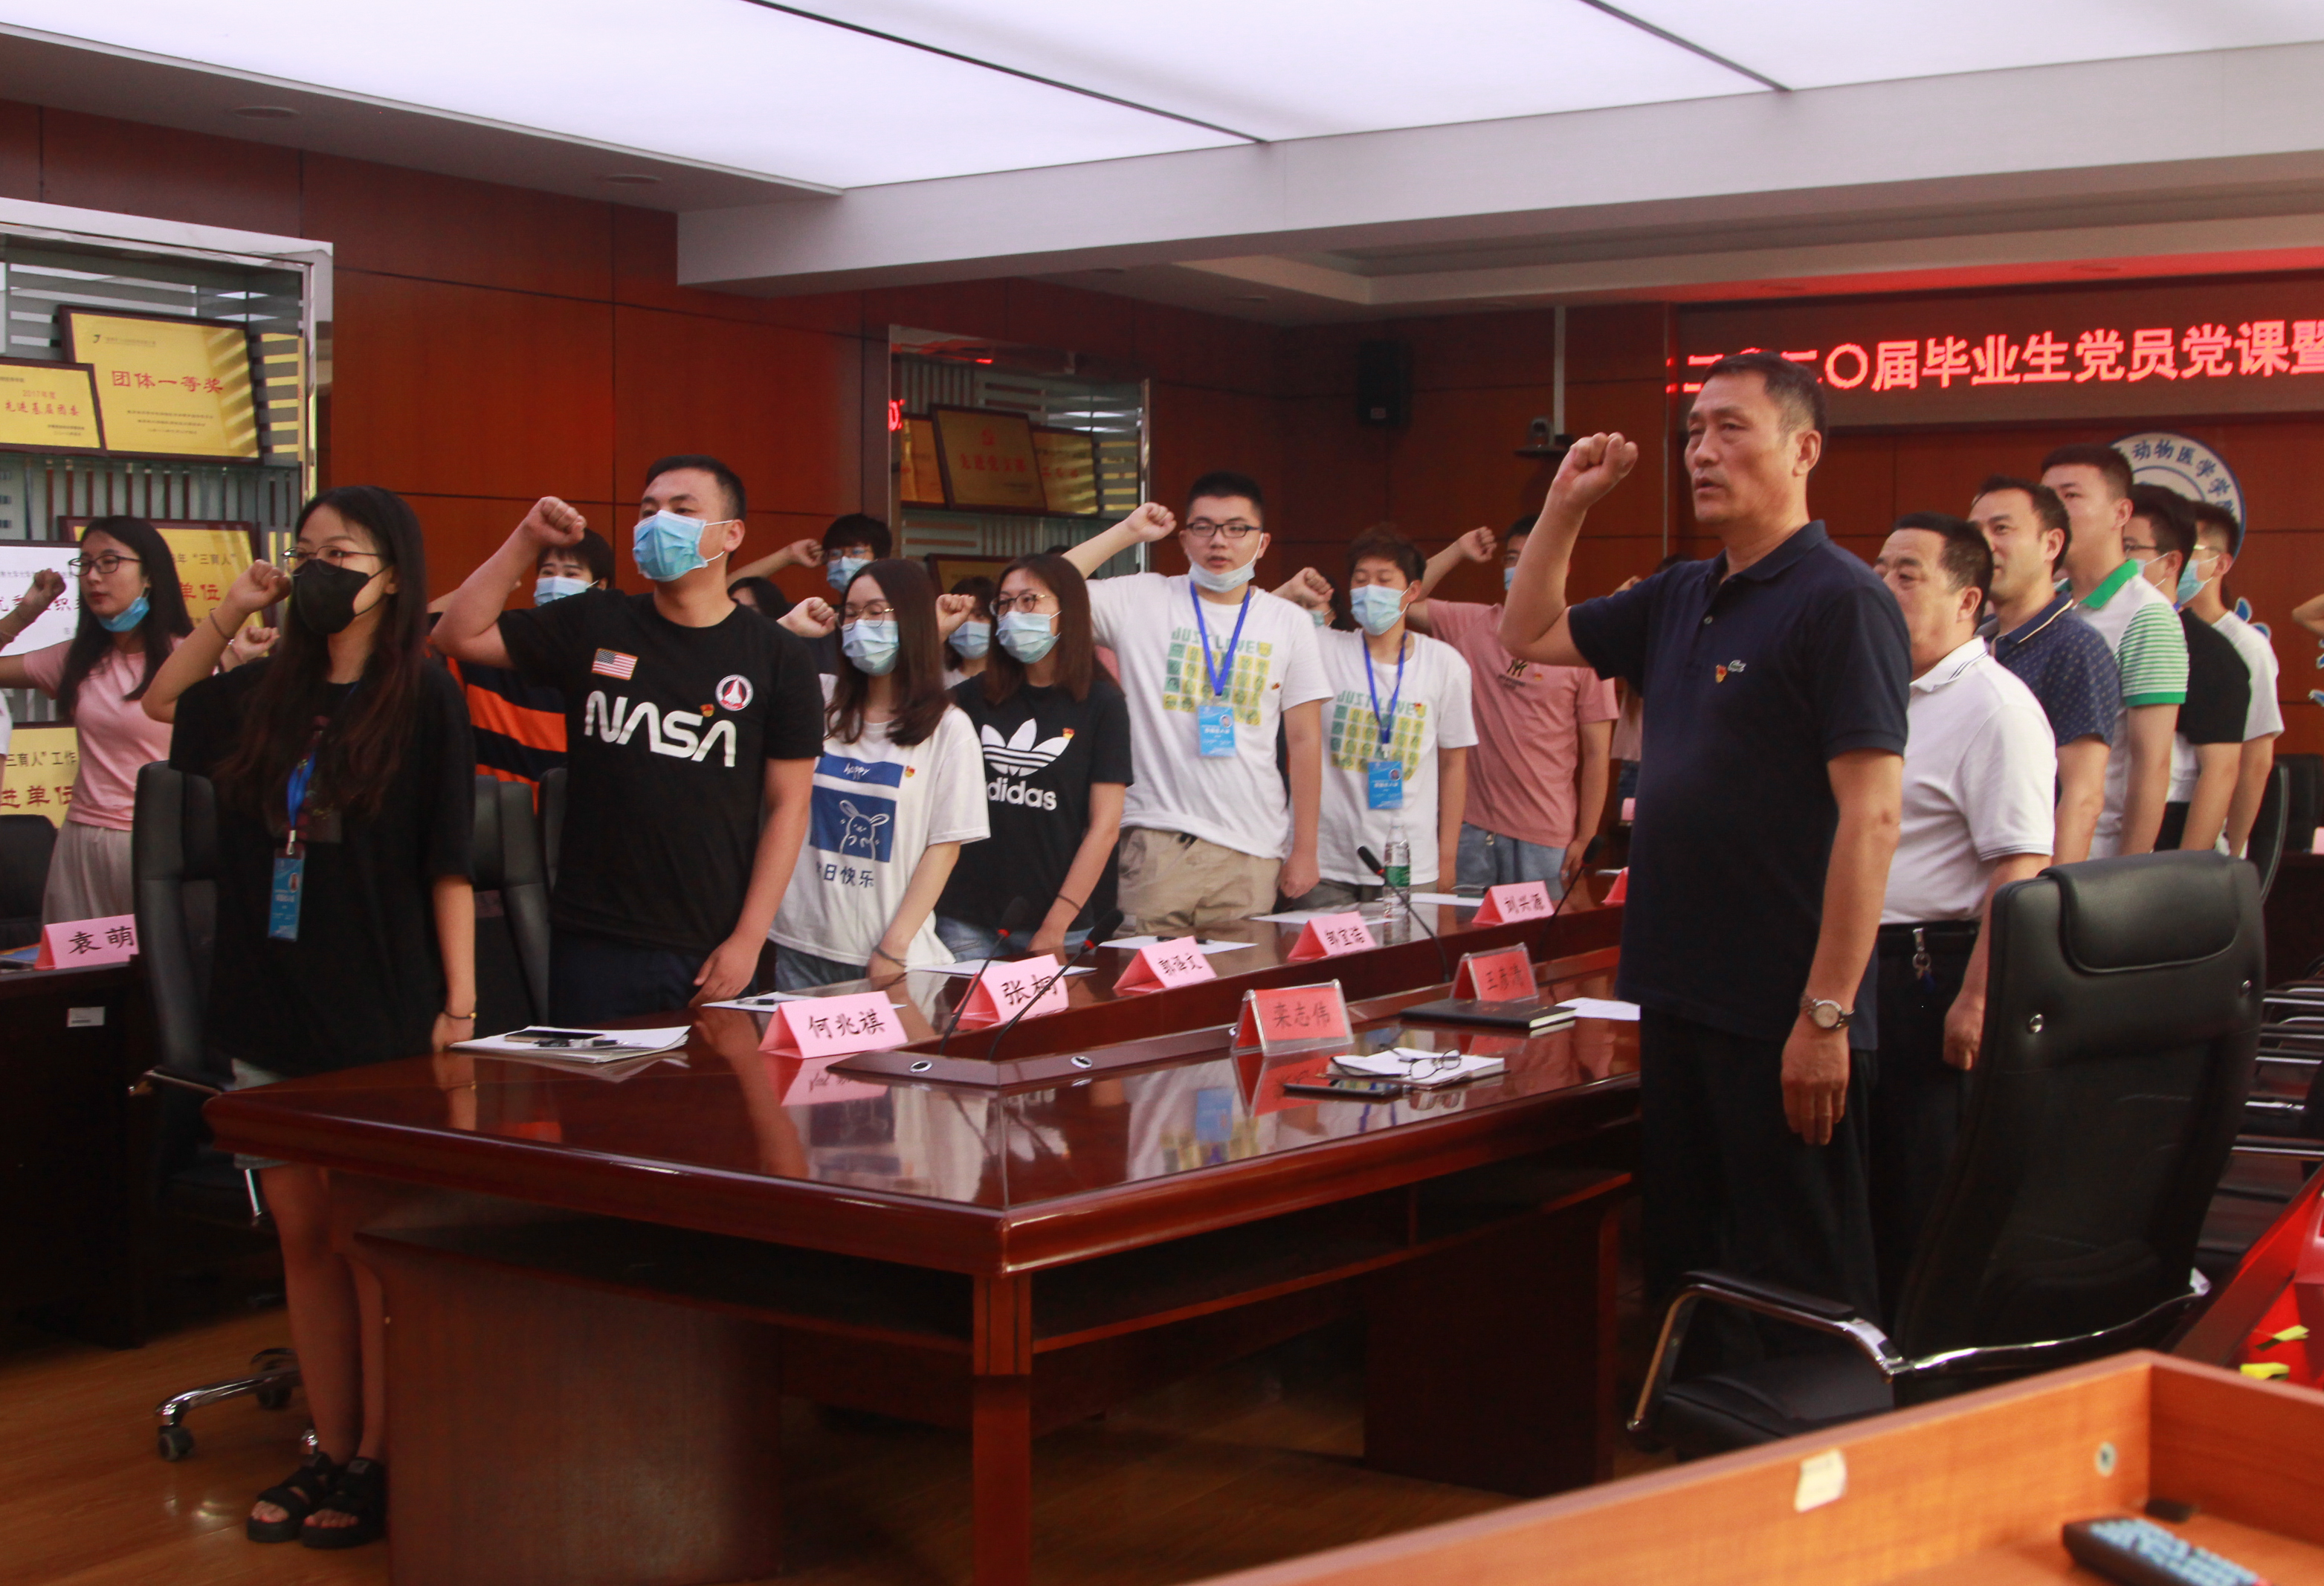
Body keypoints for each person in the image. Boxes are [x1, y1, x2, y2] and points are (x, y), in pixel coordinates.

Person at [1498, 353, 1908, 1347]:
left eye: (1731, 428)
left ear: (1803, 450)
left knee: (1794, 1278)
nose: (1701, 453)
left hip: (1782, 1007)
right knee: (1688, 1258)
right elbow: (1529, 631)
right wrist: (1566, 504)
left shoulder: (1842, 600)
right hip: (1679, 995)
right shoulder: (1680, 593)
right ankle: (1690, 1423)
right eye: (1692, 432)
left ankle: (1806, 1436)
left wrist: (1825, 1013)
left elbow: (1873, 818)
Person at [142, 486, 477, 1551]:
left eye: (342, 554)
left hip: (380, 1002)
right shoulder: (263, 693)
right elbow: (162, 701)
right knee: (303, 1238)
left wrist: (461, 1004)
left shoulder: (424, 697)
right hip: (267, 997)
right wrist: (230, 610)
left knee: (366, 1237)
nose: (317, 570)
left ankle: (381, 1454)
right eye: (305, 552)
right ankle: (329, 1446)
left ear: (393, 576)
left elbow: (450, 863)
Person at [433, 455, 822, 1020]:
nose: (658, 522)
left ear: (731, 534)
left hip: (709, 941)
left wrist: (748, 938)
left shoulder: (778, 655)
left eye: (682, 510)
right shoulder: (596, 621)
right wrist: (525, 539)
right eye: (648, 511)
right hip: (592, 934)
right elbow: (457, 634)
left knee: (706, 1080)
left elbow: (790, 806)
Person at [1868, 514, 2054, 1300]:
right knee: (1869, 1178)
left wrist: (1977, 998)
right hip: (1858, 963)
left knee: (1922, 1178)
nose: (1883, 586)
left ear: (1968, 600)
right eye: (1878, 569)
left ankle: (1927, 1346)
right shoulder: (1875, 689)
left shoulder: (1995, 706)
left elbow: (2020, 866)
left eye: (1907, 574)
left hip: (1931, 969)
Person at [1060, 474, 1329, 934]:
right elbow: (1046, 589)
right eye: (1204, 528)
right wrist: (1127, 532)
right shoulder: (1142, 598)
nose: (1218, 541)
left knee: (1243, 978)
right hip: (1157, 841)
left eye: (1237, 529)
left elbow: (1304, 740)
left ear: (1262, 543)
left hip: (1252, 849)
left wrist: (1304, 849)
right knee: (1147, 977)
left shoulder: (1288, 621)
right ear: (1184, 539)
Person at [0, 517, 265, 919]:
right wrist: (26, 611)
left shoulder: (189, 659)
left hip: (157, 842)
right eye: (85, 564)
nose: (93, 577)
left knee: (154, 956)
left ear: (149, 575)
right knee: (79, 958)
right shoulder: (76, 659)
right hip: (81, 841)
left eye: (110, 562)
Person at [769, 558, 987, 986]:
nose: (859, 625)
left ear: (912, 621)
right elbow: (731, 671)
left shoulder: (949, 728)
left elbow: (944, 847)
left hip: (885, 956)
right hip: (799, 947)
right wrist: (787, 629)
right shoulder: (818, 697)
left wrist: (894, 946)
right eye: (850, 613)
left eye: (875, 612)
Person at [1398, 518, 1618, 893]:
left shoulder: (1584, 641)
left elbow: (1598, 754)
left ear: (1562, 566)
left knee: (1541, 932)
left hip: (1545, 835)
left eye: (1533, 557)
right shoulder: (1472, 623)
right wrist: (1458, 550)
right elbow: (1403, 602)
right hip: (1471, 829)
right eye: (1512, 558)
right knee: (1465, 930)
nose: (1520, 567)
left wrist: (1585, 835)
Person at [932, 554, 1132, 960]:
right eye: (1004, 603)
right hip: (967, 915)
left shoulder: (1103, 704)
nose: (1013, 614)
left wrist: (1056, 925)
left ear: (1067, 610)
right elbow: (902, 714)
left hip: (1061, 923)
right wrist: (935, 633)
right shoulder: (974, 695)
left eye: (1029, 601)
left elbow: (1104, 828)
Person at [1281, 528, 1475, 907]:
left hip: (1409, 863)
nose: (1371, 590)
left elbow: (1454, 764)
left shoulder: (1445, 664)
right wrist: (1291, 591)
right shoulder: (1322, 648)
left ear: (1412, 591)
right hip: (1326, 864)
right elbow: (1251, 624)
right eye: (1360, 580)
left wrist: (1447, 858)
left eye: (1384, 581)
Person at [2041, 443, 2186, 857]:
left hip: (2094, 852)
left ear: (2121, 513)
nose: (2054, 511)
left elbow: (2152, 764)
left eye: (2071, 495)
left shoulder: (2146, 615)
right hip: (2027, 840)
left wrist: (2127, 877)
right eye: (2047, 498)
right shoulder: (2045, 604)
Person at [1968, 476, 2120, 865]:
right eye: (1975, 531)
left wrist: (2049, 895)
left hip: (2024, 878)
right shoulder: (1973, 642)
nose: (1984, 544)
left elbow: (2082, 797)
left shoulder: (2076, 647)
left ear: (2051, 544)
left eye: (2001, 529)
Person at [432, 527, 616, 788]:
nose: (556, 581)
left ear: (601, 586)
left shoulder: (613, 660)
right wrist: (496, 580)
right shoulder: (496, 648)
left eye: (571, 574)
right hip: (502, 808)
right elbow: (428, 632)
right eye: (547, 573)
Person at [2125, 486, 2247, 852]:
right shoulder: (2091, 630)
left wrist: (2185, 869)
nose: (2118, 559)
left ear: (2171, 562)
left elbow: (2220, 772)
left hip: (2165, 833)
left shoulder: (2212, 653)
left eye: (2130, 548)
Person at [2183, 500, 2283, 857]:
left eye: (2190, 549)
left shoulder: (2246, 646)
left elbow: (2256, 763)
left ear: (2221, 563)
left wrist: (2235, 851)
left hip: (2207, 839)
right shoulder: (2158, 630)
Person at [942, 574, 995, 689]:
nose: (968, 624)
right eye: (961, 616)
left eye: (979, 615)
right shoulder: (937, 678)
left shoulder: (1012, 680)